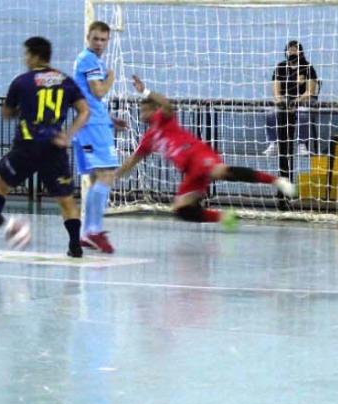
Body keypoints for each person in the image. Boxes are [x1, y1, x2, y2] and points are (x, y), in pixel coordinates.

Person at [116, 75, 295, 225]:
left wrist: (145, 91)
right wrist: (112, 177)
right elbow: (133, 160)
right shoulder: (148, 138)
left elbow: (167, 105)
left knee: (221, 172)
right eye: (141, 111)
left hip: (197, 154)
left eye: (146, 110)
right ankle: (225, 218)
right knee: (181, 209)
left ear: (155, 110)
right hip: (189, 170)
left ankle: (277, 181)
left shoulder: (164, 119)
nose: (143, 115)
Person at [0, 37, 92, 258]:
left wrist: (23, 110)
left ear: (36, 56)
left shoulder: (22, 81)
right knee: (66, 200)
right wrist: (68, 135)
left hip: (26, 148)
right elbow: (85, 110)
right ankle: (75, 244)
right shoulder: (66, 81)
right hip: (54, 148)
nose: (25, 59)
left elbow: (6, 113)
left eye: (27, 54)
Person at [73, 21, 122, 254]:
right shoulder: (89, 60)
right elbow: (98, 91)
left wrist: (110, 118)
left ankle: (88, 232)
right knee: (107, 173)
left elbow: (90, 98)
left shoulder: (91, 60)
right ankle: (93, 231)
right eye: (96, 39)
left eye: (103, 40)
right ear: (87, 37)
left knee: (96, 178)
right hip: (92, 125)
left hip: (94, 122)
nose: (99, 43)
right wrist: (111, 77)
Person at [265, 42, 319, 185]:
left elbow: (310, 91)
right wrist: (281, 101)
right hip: (286, 101)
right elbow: (276, 91)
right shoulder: (280, 67)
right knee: (270, 112)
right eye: (289, 51)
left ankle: (302, 144)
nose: (292, 53)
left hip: (303, 100)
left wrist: (296, 101)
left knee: (303, 112)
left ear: (300, 53)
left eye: (295, 50)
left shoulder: (308, 68)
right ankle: (274, 143)